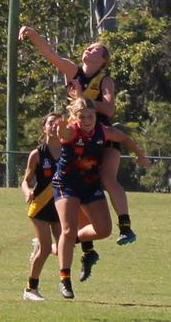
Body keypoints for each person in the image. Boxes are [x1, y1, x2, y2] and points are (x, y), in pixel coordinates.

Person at [19, 26, 137, 246]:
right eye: (89, 47)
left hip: (101, 136)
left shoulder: (105, 80)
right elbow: (51, 55)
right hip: (76, 138)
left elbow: (109, 110)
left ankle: (125, 225)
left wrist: (82, 97)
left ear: (103, 60)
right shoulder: (73, 71)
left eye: (95, 49)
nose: (88, 49)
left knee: (108, 179)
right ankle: (84, 245)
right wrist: (34, 35)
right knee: (76, 183)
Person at [52, 98, 150, 299]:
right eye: (83, 117)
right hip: (67, 185)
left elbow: (124, 138)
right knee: (68, 229)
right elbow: (63, 134)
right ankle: (65, 279)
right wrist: (60, 127)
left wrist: (139, 154)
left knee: (104, 230)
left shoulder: (103, 131)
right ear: (75, 117)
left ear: (96, 116)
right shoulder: (71, 131)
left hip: (90, 185)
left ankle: (64, 243)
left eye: (91, 116)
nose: (87, 120)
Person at [21, 113, 63, 301]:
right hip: (40, 207)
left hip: (61, 206)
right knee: (46, 250)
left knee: (65, 246)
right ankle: (30, 289)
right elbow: (25, 181)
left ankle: (40, 244)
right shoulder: (37, 154)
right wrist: (27, 191)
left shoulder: (68, 151)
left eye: (58, 123)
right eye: (51, 123)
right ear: (44, 127)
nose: (55, 126)